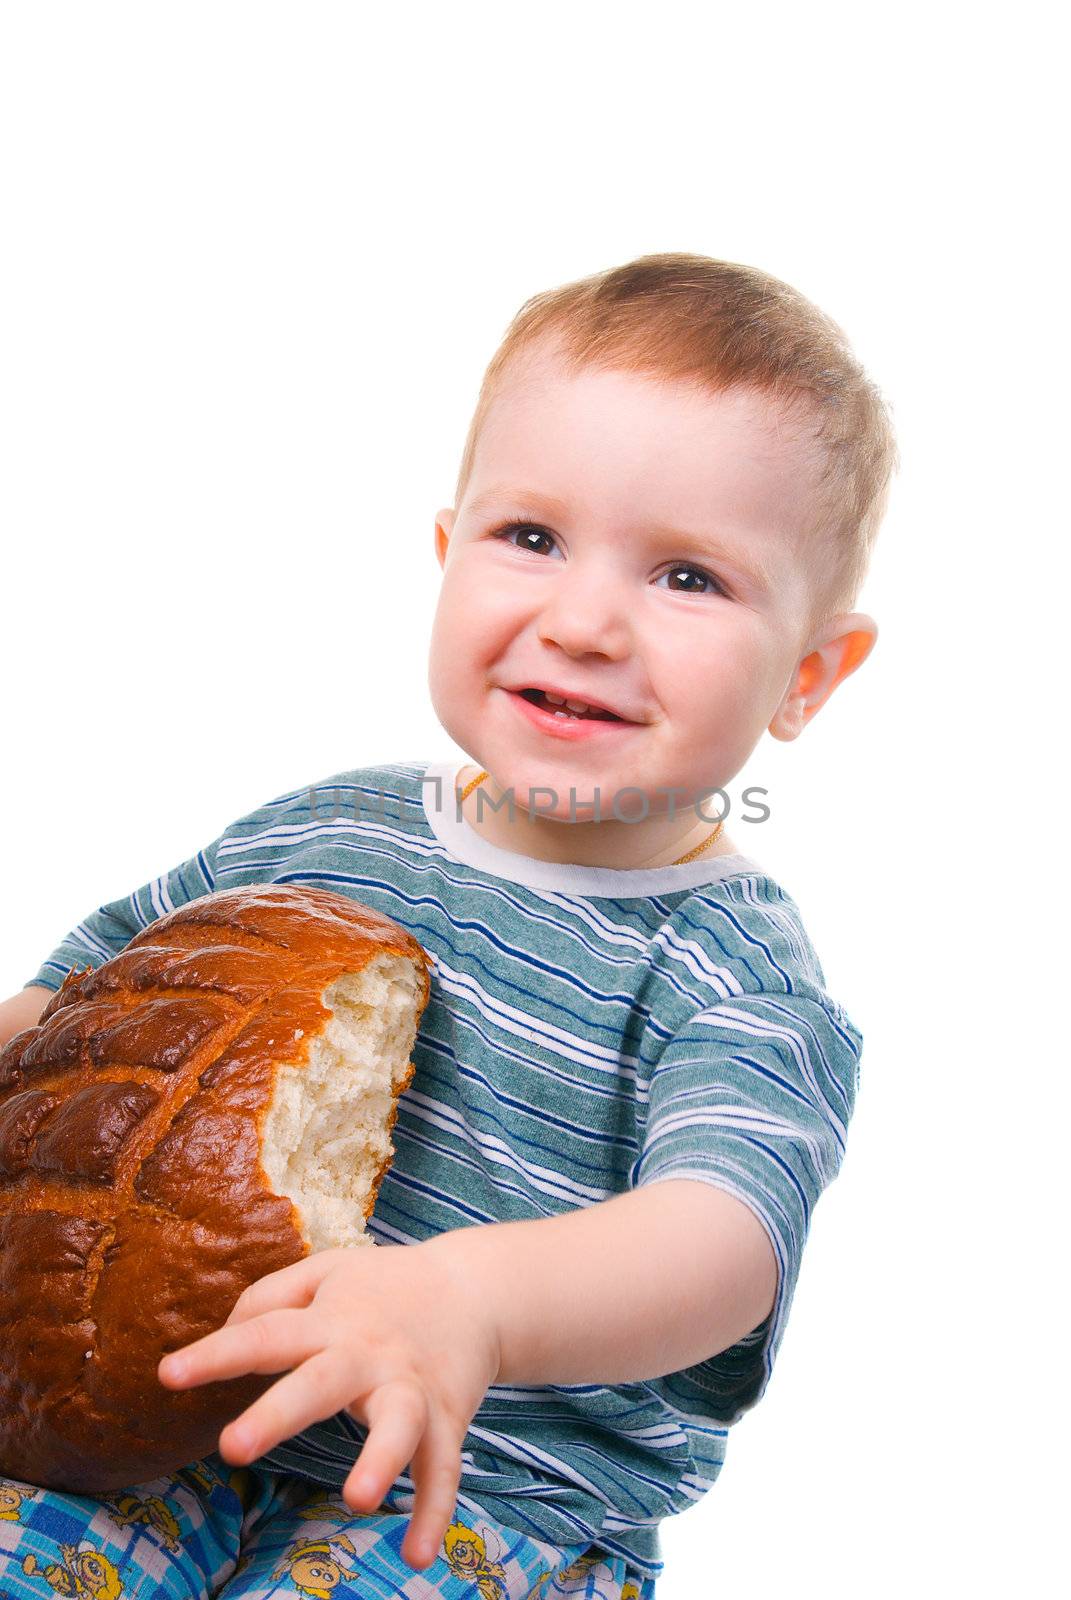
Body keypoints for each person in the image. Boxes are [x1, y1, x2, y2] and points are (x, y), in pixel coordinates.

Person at [0, 252, 897, 1599]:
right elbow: (81, 1015)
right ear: (445, 551)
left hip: (492, 1500)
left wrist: (474, 1302)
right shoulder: (325, 827)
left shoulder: (731, 968)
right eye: (530, 538)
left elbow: (721, 1243)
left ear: (810, 675)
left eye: (690, 579)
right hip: (181, 1423)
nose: (585, 620)